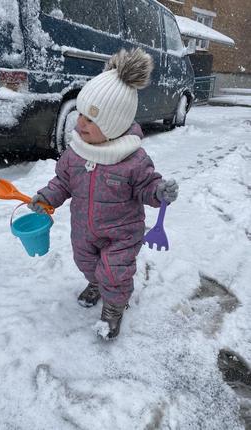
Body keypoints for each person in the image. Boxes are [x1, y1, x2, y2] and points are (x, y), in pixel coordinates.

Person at [28, 48, 179, 340]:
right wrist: (47, 197)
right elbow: (63, 181)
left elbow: (147, 186)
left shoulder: (133, 159)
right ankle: (95, 284)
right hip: (83, 230)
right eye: (81, 114)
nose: (80, 123)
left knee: (114, 272)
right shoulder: (75, 153)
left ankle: (113, 306)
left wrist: (159, 193)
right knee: (86, 264)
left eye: (91, 119)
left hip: (121, 234)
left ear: (114, 126)